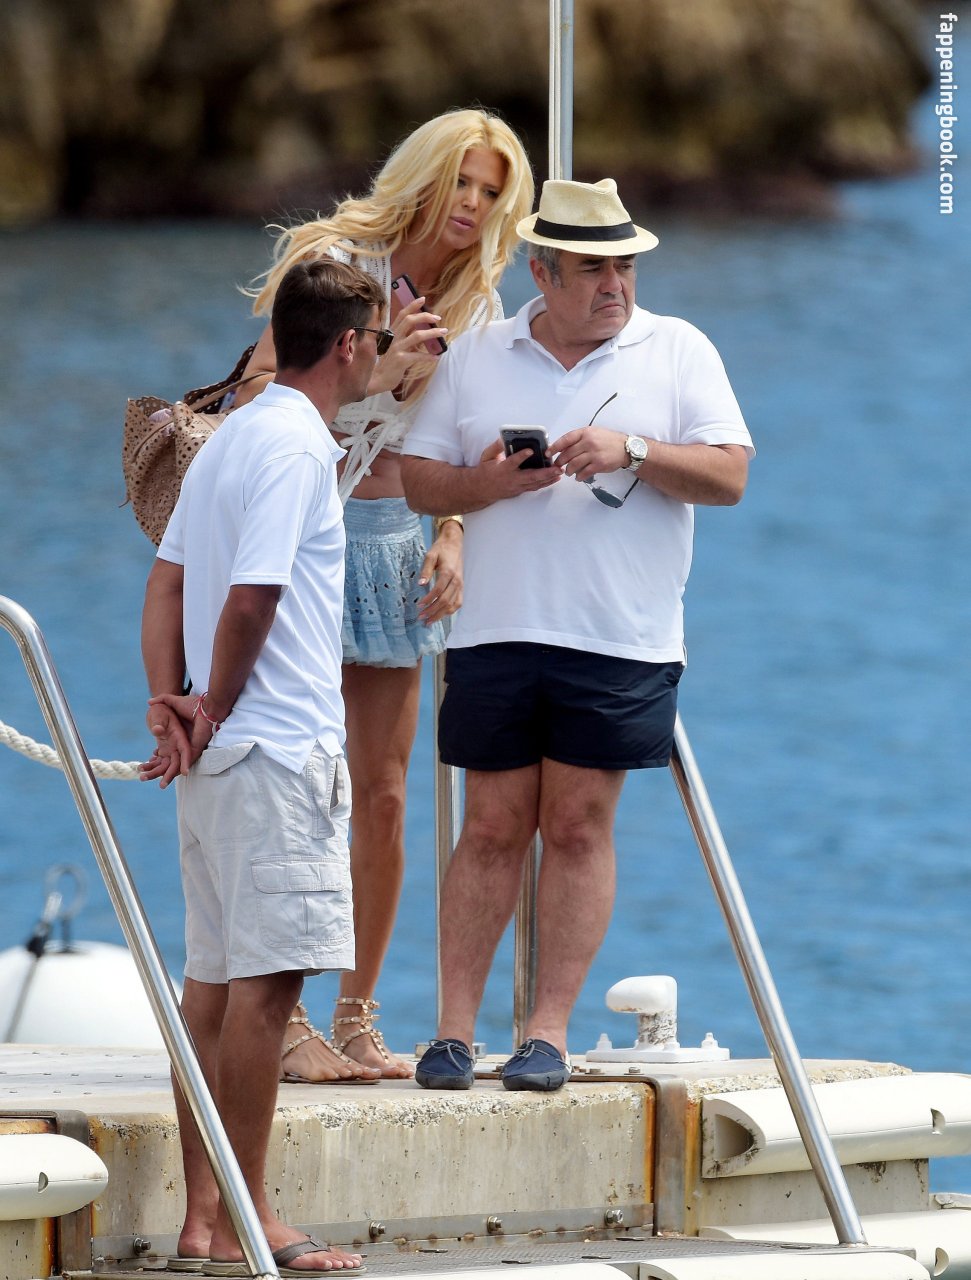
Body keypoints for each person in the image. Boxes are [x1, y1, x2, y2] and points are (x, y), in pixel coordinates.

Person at [400, 177, 755, 1092]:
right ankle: (449, 1035)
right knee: (489, 827)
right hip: (495, 631)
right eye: (593, 269)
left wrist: (630, 449)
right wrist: (485, 485)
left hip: (621, 637)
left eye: (624, 267)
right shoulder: (478, 353)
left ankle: (546, 1036)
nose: (614, 285)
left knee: (576, 827)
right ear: (542, 272)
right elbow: (419, 480)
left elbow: (728, 477)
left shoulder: (678, 348)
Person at [232, 108, 534, 1083]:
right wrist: (381, 372)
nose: (472, 205)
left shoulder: (477, 302)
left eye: (490, 191)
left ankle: (355, 1015)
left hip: (393, 544)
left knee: (387, 792)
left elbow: (456, 448)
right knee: (293, 780)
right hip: (304, 537)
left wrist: (453, 533)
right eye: (461, 182)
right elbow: (255, 398)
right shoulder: (334, 260)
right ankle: (277, 1017)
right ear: (424, 176)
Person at [139, 256, 386, 1271]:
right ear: (349, 345)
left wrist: (170, 703)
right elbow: (253, 596)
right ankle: (253, 1222)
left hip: (219, 762)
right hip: (276, 755)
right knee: (264, 995)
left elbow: (166, 583)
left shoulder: (233, 434)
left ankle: (205, 1220)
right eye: (377, 339)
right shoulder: (293, 448)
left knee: (210, 989)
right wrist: (210, 704)